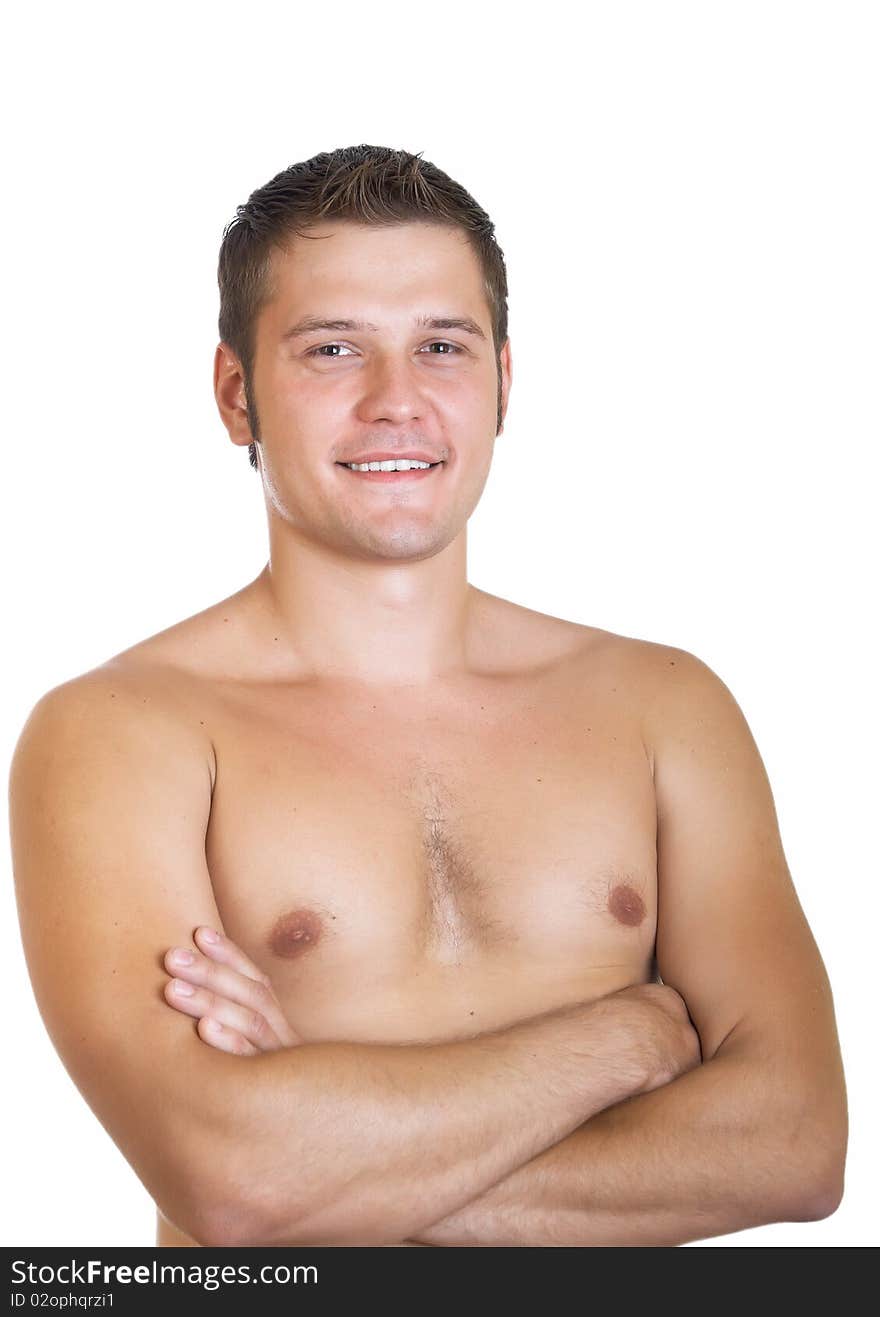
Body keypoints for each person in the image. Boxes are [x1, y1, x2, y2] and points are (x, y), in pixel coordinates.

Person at [8, 144, 847, 1248]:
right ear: (234, 395)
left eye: (441, 347)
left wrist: (330, 1161)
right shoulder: (122, 735)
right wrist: (627, 1041)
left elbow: (795, 1144)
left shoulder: (663, 708)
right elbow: (233, 1182)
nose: (394, 401)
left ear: (503, 383)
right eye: (332, 348)